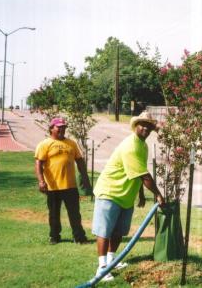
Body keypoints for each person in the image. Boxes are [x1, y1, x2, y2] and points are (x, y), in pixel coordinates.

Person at [92, 111, 165, 281]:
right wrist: (158, 195)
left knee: (118, 231)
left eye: (149, 126)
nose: (145, 129)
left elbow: (136, 172)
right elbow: (145, 175)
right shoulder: (131, 145)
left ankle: (112, 260)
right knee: (104, 231)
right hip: (110, 191)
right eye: (142, 125)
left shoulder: (143, 145)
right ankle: (102, 268)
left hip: (125, 196)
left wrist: (139, 194)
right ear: (136, 126)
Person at [35, 117, 91, 245]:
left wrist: (85, 178)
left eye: (64, 127)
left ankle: (79, 237)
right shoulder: (45, 144)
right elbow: (38, 163)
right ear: (51, 128)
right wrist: (41, 181)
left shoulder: (72, 143)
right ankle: (54, 236)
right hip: (53, 186)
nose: (62, 129)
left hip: (70, 186)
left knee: (75, 214)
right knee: (54, 214)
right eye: (58, 127)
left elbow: (80, 161)